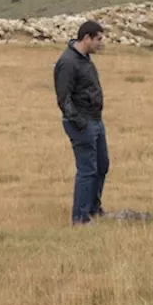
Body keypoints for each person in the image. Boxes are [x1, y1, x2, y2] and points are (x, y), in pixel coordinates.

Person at [53, 20, 108, 225]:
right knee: (87, 169)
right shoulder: (68, 63)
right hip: (82, 123)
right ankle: (80, 218)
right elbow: (63, 98)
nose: (101, 43)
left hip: (96, 121)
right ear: (87, 38)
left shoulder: (85, 59)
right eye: (99, 39)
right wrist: (80, 123)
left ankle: (94, 208)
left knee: (102, 165)